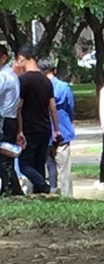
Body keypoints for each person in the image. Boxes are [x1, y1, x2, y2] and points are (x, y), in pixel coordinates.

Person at [15, 44, 61, 194]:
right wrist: (56, 129)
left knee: (25, 165)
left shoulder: (23, 81)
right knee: (39, 163)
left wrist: (19, 129)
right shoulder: (46, 81)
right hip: (45, 127)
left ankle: (46, 187)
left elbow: (19, 107)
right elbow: (52, 107)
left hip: (29, 127)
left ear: (22, 58)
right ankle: (41, 194)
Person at [39, 59, 75, 197]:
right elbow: (70, 106)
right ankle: (67, 195)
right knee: (64, 167)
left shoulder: (40, 87)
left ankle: (52, 191)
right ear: (53, 70)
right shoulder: (64, 87)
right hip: (63, 128)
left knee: (49, 164)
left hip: (46, 129)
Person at [0, 44, 24, 196]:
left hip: (3, 120)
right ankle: (12, 188)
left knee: (4, 156)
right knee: (5, 157)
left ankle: (10, 189)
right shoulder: (11, 74)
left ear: (3, 57)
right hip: (10, 119)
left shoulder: (3, 76)